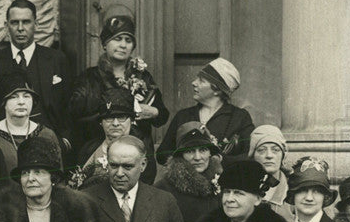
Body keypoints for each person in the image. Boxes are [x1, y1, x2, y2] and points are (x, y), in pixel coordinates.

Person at [68, 15, 169, 157]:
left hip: (138, 149)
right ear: (105, 44)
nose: (123, 45)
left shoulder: (143, 77)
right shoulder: (89, 78)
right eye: (117, 39)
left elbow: (162, 115)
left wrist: (154, 112)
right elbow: (75, 115)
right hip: (99, 149)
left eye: (128, 40)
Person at [0, 0, 71, 145]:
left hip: (49, 142)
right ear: (6, 26)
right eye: (15, 22)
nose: (20, 28)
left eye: (26, 22)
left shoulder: (56, 59)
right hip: (5, 142)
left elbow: (68, 105)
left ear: (36, 24)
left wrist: (65, 140)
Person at [157, 58, 254, 164]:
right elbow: (162, 154)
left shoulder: (239, 117)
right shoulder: (183, 115)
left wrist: (220, 160)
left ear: (217, 90)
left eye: (201, 81)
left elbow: (250, 155)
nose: (194, 83)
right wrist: (187, 160)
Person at [0, 76, 63, 176]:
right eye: (14, 97)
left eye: (26, 96)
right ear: (3, 103)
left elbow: (57, 177)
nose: (21, 102)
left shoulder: (47, 135)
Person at [65, 88, 145, 189]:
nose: (115, 123)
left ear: (131, 120)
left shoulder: (141, 151)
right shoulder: (88, 149)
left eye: (121, 117)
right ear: (101, 122)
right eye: (109, 118)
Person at [155, 121, 223, 222]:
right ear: (181, 155)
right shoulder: (163, 189)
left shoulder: (220, 183)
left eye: (203, 150)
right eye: (190, 151)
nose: (197, 157)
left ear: (210, 153)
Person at [248, 125, 294, 222]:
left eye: (275, 150)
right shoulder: (242, 188)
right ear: (253, 156)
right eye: (262, 150)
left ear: (283, 156)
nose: (269, 155)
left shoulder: (294, 189)